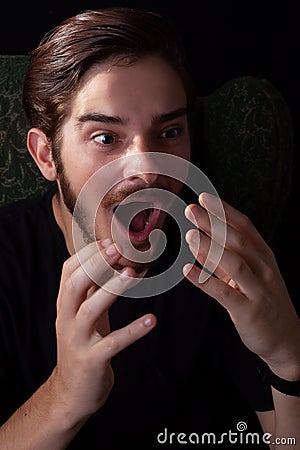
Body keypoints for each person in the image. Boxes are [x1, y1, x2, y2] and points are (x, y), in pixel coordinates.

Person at [0, 6, 299, 449]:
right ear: (46, 156)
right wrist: (64, 396)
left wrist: (288, 359)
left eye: (169, 131)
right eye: (106, 137)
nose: (147, 168)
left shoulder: (226, 262)